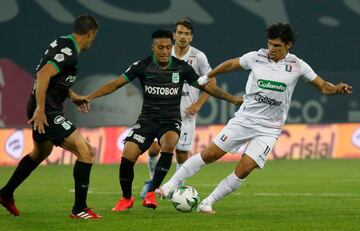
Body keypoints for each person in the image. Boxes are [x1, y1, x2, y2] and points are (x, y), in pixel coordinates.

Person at [157, 23, 353, 213]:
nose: (271, 49)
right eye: (270, 43)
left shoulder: (297, 65)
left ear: (288, 46)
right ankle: (169, 186)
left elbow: (322, 86)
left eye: (277, 46)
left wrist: (336, 89)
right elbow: (232, 64)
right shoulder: (256, 57)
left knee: (245, 168)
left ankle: (208, 202)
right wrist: (208, 76)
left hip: (270, 128)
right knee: (210, 155)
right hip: (245, 119)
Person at [86, 29, 243, 211]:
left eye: (168, 47)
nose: (165, 51)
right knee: (128, 154)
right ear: (153, 47)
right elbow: (115, 84)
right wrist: (90, 96)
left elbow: (206, 87)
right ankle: (126, 198)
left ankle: (152, 192)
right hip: (147, 120)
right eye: (161, 47)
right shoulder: (142, 66)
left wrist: (232, 98)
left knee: (169, 144)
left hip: (170, 120)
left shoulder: (182, 68)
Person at [0, 15, 101, 219]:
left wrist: (72, 96)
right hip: (47, 110)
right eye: (94, 37)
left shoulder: (63, 42)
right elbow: (44, 74)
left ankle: (5, 194)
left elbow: (56, 79)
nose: (93, 41)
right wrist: (40, 108)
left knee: (40, 153)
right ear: (90, 33)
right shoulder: (70, 52)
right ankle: (79, 209)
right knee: (86, 151)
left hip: (46, 106)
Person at [139, 19, 214, 199]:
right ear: (174, 35)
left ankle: (178, 187)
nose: (183, 37)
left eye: (187, 34)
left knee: (181, 154)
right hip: (162, 111)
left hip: (186, 114)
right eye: (180, 33)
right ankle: (153, 182)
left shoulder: (198, 57)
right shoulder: (165, 51)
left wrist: (198, 104)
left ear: (191, 37)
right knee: (154, 149)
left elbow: (211, 81)